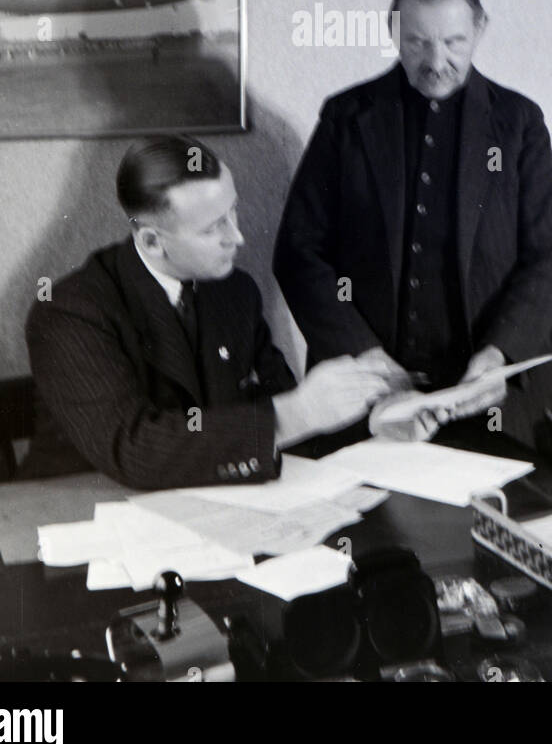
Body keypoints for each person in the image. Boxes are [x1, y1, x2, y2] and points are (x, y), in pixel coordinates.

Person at [273, 0, 552, 444]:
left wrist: (500, 355)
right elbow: (298, 252)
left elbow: (550, 256)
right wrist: (361, 354)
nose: (436, 61)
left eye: (454, 42)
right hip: (368, 398)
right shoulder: (346, 118)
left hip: (493, 396)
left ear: (480, 30)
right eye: (416, 42)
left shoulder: (519, 124)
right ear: (394, 30)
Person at [23, 136, 395, 490]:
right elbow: (135, 448)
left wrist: (379, 421)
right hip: (83, 512)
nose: (238, 237)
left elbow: (280, 403)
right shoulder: (69, 313)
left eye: (232, 212)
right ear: (152, 241)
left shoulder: (234, 292)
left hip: (208, 508)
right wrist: (295, 414)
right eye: (213, 227)